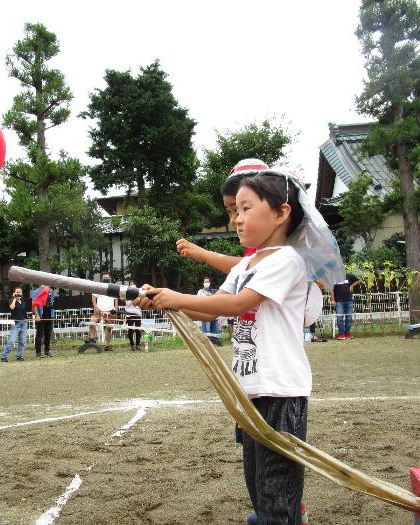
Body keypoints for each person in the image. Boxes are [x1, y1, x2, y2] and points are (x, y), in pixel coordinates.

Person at [136, 169, 342, 524]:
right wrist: (162, 301)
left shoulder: (288, 261)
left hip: (280, 390)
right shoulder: (247, 263)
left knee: (277, 489)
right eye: (235, 211)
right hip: (247, 389)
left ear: (281, 213)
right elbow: (211, 306)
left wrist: (176, 297)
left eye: (245, 208)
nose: (237, 219)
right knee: (258, 485)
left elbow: (235, 304)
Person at [89, 273, 118, 352]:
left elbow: (116, 299)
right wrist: (95, 307)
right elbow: (93, 298)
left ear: (110, 278)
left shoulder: (114, 287)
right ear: (102, 279)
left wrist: (115, 310)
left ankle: (107, 346)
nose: (106, 279)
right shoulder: (98, 286)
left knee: (109, 329)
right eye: (104, 278)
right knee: (92, 323)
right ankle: (92, 339)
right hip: (99, 311)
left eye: (107, 278)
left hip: (110, 311)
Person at [0, 287, 28, 362]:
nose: (19, 294)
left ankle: (19, 356)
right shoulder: (11, 301)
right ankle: (4, 356)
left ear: (22, 294)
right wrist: (14, 298)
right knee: (11, 341)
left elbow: (24, 312)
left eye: (20, 292)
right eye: (17, 292)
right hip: (16, 324)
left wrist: (26, 319)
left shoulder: (23, 302)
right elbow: (12, 308)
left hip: (23, 323)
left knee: (22, 341)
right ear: (14, 293)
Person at [330, 273, 361, 340]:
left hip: (349, 300)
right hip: (339, 301)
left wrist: (352, 285)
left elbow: (359, 280)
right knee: (339, 318)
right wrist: (332, 299)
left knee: (349, 318)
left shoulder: (349, 275)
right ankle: (341, 334)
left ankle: (347, 334)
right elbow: (331, 288)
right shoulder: (334, 276)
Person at [197, 277, 222, 346]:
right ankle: (205, 344)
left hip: (214, 313)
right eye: (205, 282)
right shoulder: (200, 291)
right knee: (206, 330)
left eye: (208, 282)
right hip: (205, 313)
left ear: (210, 283)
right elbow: (198, 301)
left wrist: (210, 296)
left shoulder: (214, 291)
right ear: (203, 283)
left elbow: (218, 299)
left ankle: (215, 343)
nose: (207, 283)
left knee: (215, 330)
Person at [33, 286, 55, 358]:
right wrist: (37, 315)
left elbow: (52, 303)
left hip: (49, 315)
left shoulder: (51, 291)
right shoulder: (36, 292)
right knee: (39, 334)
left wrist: (52, 315)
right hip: (41, 315)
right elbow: (34, 304)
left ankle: (47, 351)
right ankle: (38, 352)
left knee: (48, 333)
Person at [125, 280, 143, 351]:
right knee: (130, 329)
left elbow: (140, 303)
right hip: (129, 313)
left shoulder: (139, 293)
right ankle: (132, 344)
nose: (132, 286)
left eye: (134, 285)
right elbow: (128, 303)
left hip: (138, 313)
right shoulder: (126, 293)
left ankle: (138, 344)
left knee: (138, 329)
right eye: (131, 285)